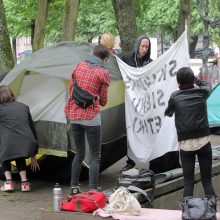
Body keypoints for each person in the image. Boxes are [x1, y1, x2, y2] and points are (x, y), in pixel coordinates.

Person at [64, 44, 110, 195]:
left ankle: (74, 187)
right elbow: (103, 101)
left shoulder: (79, 66)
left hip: (74, 116)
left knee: (79, 153)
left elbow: (71, 90)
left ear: (93, 53)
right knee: (95, 155)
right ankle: (92, 189)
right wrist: (95, 96)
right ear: (106, 58)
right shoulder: (102, 72)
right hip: (91, 118)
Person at [165, 67, 216, 197]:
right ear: (192, 80)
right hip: (204, 141)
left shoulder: (175, 96)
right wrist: (196, 80)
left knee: (188, 183)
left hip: (186, 145)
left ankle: (188, 212)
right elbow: (208, 85)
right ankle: (212, 211)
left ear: (178, 82)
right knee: (207, 182)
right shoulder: (202, 92)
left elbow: (168, 113)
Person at [121, 35, 152, 171]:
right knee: (130, 130)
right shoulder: (126, 58)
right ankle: (130, 160)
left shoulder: (150, 62)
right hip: (128, 101)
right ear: (137, 45)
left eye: (147, 47)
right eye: (142, 46)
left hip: (143, 103)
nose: (144, 49)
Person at [0, 85, 40, 192]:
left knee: (4, 147)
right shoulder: (24, 106)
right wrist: (33, 155)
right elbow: (32, 129)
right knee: (17, 149)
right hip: (28, 144)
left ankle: (9, 183)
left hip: (9, 147)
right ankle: (24, 183)